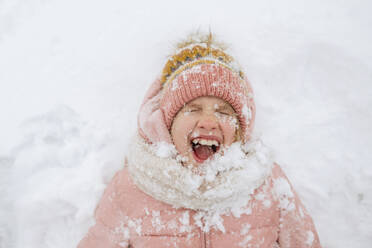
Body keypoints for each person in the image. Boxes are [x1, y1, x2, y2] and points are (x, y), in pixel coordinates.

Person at [78, 33, 321, 248]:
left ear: (241, 128)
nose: (208, 121)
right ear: (167, 124)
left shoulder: (267, 183)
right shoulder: (131, 188)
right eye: (193, 109)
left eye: (224, 112)